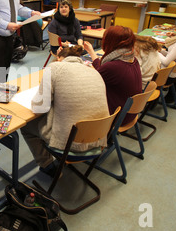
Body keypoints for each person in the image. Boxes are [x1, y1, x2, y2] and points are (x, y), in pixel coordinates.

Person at [20, 45, 109, 177]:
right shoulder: (94, 71)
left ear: (59, 59)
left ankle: (47, 165)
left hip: (70, 144)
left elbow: (39, 108)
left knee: (27, 126)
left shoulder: (55, 68)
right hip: (98, 140)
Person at [83, 26, 142, 126]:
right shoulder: (131, 58)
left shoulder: (114, 66)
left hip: (117, 117)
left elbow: (90, 81)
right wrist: (91, 52)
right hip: (130, 112)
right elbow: (102, 70)